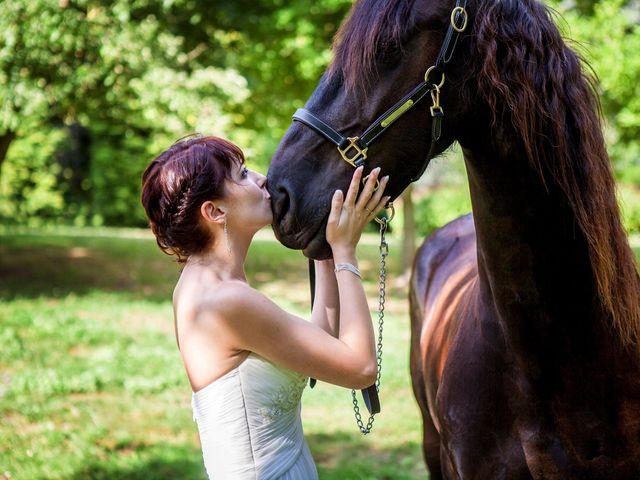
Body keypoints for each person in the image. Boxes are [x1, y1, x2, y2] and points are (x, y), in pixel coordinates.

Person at [140, 135, 390, 479]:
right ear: (214, 211)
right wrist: (346, 252)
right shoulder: (227, 301)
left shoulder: (198, 283)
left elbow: (317, 341)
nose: (261, 178)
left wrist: (321, 248)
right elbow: (360, 368)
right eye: (242, 175)